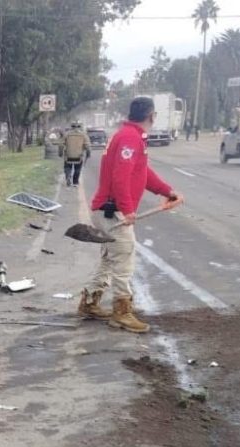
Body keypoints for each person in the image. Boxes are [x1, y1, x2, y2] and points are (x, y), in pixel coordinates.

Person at [78, 95, 184, 333]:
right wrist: (127, 210)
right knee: (124, 258)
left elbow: (142, 172)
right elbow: (120, 177)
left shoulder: (132, 137)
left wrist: (167, 191)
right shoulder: (130, 138)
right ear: (152, 116)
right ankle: (121, 313)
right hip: (111, 211)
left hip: (108, 210)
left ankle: (89, 303)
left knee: (109, 259)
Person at [60, 122, 90, 187]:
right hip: (79, 156)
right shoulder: (83, 135)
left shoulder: (66, 134)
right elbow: (87, 145)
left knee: (67, 167)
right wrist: (88, 153)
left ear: (71, 127)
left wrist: (60, 153)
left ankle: (68, 177)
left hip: (68, 155)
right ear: (79, 127)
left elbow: (61, 144)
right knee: (77, 169)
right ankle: (75, 182)